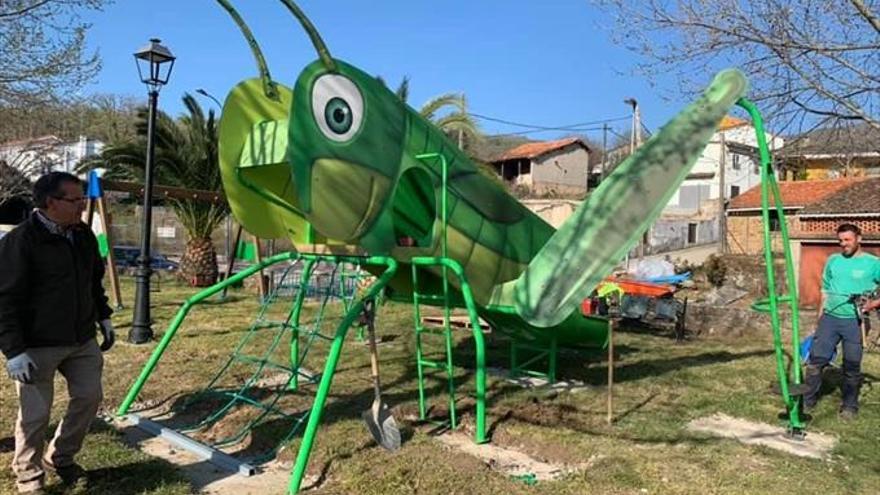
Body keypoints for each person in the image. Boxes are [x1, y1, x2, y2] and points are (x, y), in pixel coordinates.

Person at [0, 172, 115, 494]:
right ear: (51, 202)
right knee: (35, 416)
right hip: (36, 345)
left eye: (82, 199)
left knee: (89, 398)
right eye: (75, 199)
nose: (82, 205)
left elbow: (93, 281)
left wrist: (103, 317)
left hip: (81, 339)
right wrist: (13, 351)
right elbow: (4, 298)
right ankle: (29, 476)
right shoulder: (20, 242)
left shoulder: (82, 235)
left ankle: (61, 457)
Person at [803, 223, 880, 420]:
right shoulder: (833, 260)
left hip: (855, 322)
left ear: (859, 239)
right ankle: (807, 401)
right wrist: (819, 318)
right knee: (815, 361)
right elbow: (825, 290)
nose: (843, 244)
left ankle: (849, 406)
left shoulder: (873, 263)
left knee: (852, 366)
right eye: (840, 240)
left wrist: (871, 305)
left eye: (847, 240)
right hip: (830, 318)